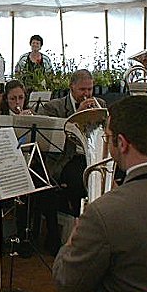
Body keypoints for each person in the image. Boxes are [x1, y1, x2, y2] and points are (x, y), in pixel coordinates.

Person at [0, 95, 147, 292]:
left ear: (121, 143)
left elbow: (68, 288)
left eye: (108, 138)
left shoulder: (104, 213)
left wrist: (73, 240)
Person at [0, 80, 61, 256]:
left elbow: (43, 146)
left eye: (20, 98)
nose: (17, 102)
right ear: (6, 100)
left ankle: (52, 237)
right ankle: (22, 237)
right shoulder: (2, 119)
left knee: (47, 186)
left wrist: (32, 122)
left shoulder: (32, 117)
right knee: (26, 186)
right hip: (9, 168)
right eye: (13, 99)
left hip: (29, 164)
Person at [42, 69, 106, 216]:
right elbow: (52, 140)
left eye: (90, 89)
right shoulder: (54, 107)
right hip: (68, 158)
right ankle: (81, 219)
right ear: (71, 87)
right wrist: (76, 116)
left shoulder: (100, 103)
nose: (87, 94)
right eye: (82, 89)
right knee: (79, 181)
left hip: (93, 156)